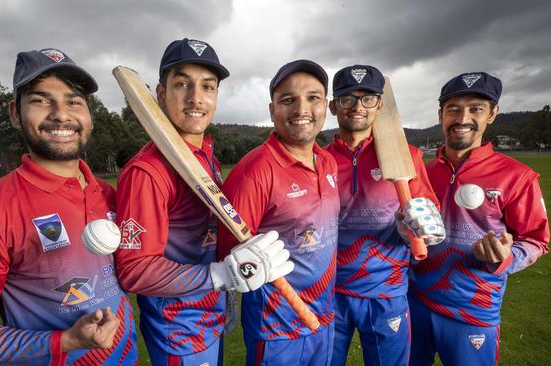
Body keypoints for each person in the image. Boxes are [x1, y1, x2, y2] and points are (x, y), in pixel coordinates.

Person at [0, 48, 138, 364]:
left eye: (74, 101)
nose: (61, 114)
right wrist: (65, 341)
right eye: (41, 100)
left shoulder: (108, 194)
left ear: (89, 117)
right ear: (15, 113)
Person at [114, 38, 292, 366]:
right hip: (179, 330)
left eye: (208, 86)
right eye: (182, 84)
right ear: (161, 93)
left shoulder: (203, 154)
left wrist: (229, 276)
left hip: (210, 316)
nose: (197, 98)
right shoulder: (149, 171)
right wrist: (219, 275)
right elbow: (134, 270)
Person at [408, 72, 550, 365]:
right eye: (454, 109)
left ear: (493, 114)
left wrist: (506, 257)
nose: (463, 118)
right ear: (441, 115)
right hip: (415, 302)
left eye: (476, 108)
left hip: (473, 310)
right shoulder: (422, 172)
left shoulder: (517, 176)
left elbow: (537, 240)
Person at [216, 60, 339, 365]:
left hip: (323, 317)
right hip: (276, 328)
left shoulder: (328, 163)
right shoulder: (254, 171)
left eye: (313, 98)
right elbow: (227, 253)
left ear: (325, 105)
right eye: (288, 100)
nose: (301, 109)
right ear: (272, 110)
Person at [324, 64, 445, 366]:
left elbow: (429, 213)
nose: (357, 107)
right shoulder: (320, 159)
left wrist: (415, 228)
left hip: (386, 289)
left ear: (379, 106)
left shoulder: (409, 156)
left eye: (367, 99)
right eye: (347, 98)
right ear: (332, 106)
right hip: (330, 290)